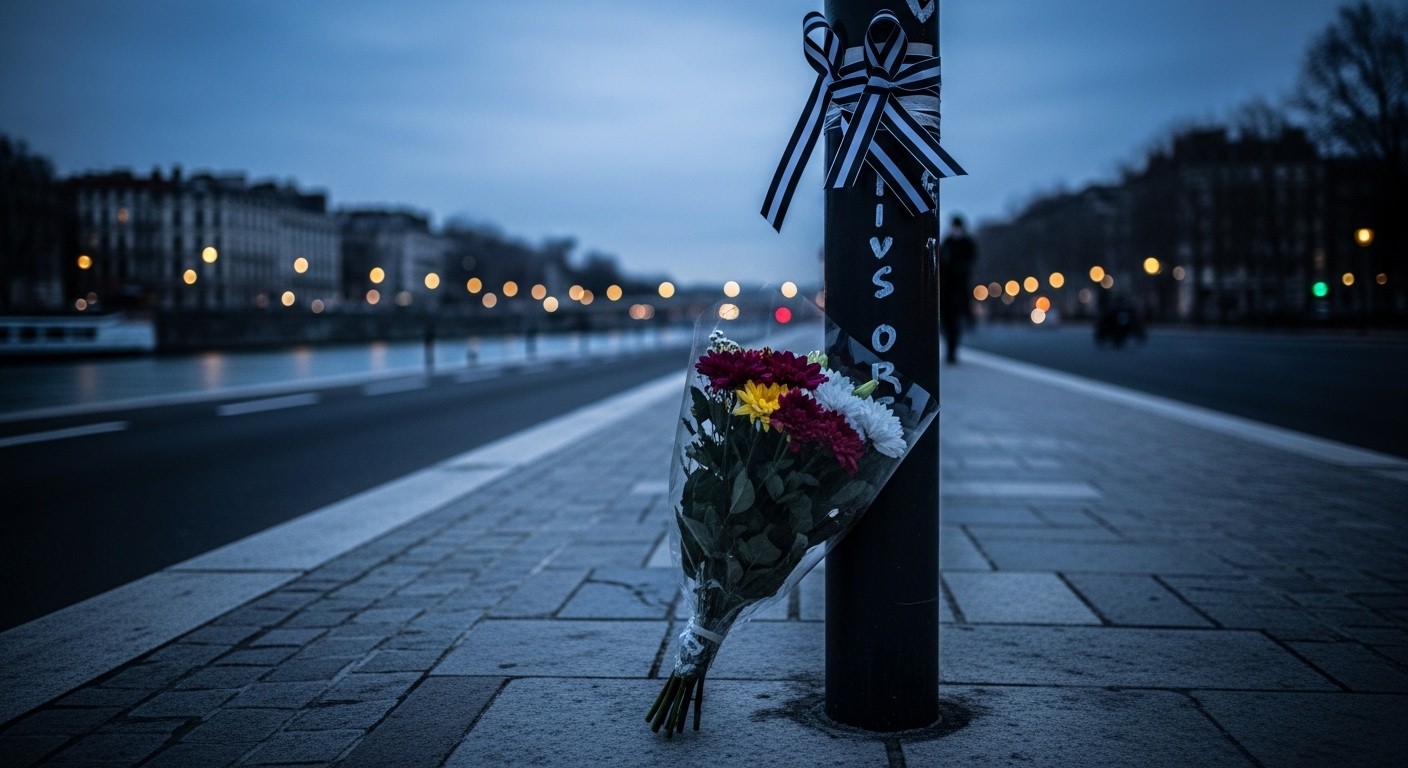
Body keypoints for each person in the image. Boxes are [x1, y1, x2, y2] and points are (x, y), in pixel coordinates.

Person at [939, 214, 978, 364]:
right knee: (948, 322)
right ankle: (950, 350)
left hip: (959, 288)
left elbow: (970, 262)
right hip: (947, 289)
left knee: (955, 322)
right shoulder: (947, 242)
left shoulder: (967, 243)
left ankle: (952, 351)